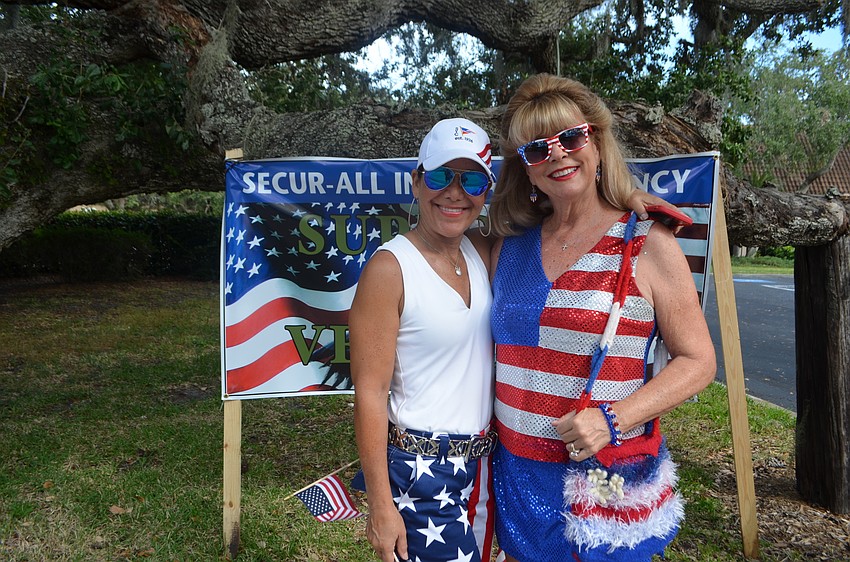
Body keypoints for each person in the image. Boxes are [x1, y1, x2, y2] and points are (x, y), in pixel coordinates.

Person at [487, 73, 716, 562]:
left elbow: (698, 360)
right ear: (525, 170)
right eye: (537, 150)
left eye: (571, 138)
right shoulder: (506, 248)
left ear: (596, 141)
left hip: (603, 482)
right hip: (513, 481)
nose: (558, 155)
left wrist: (615, 419)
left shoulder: (649, 244)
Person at [350, 117, 500, 562]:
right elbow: (370, 393)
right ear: (416, 183)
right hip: (421, 474)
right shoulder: (390, 269)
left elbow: (559, 214)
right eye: (439, 176)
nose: (454, 192)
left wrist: (626, 196)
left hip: (485, 466)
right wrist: (381, 505)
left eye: (471, 180)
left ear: (485, 194)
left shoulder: (481, 251)